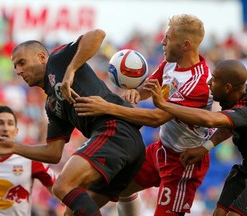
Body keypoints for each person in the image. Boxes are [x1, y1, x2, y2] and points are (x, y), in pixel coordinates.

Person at [0, 29, 146, 216]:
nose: (18, 71)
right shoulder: (52, 104)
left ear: (42, 57)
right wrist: (14, 147)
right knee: (71, 213)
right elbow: (53, 153)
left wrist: (71, 69)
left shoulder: (58, 60)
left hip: (115, 129)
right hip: (124, 143)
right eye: (15, 67)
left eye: (22, 62)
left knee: (62, 186)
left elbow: (97, 35)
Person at [74, 14, 214, 215]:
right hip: (161, 150)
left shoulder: (198, 83)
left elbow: (158, 118)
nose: (162, 42)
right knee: (118, 186)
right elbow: (150, 88)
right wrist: (136, 93)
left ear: (185, 45)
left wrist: (106, 107)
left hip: (183, 163)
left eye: (168, 38)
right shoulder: (171, 64)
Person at [147, 59, 247, 216]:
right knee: (219, 213)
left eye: (214, 79)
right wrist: (204, 148)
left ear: (227, 88)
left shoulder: (244, 109)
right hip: (245, 169)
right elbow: (229, 126)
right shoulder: (237, 96)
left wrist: (164, 105)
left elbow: (211, 120)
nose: (208, 82)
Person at [0, 105, 56, 216]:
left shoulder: (31, 158)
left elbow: (57, 190)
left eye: (10, 123)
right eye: (0, 123)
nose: (5, 128)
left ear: (16, 131)